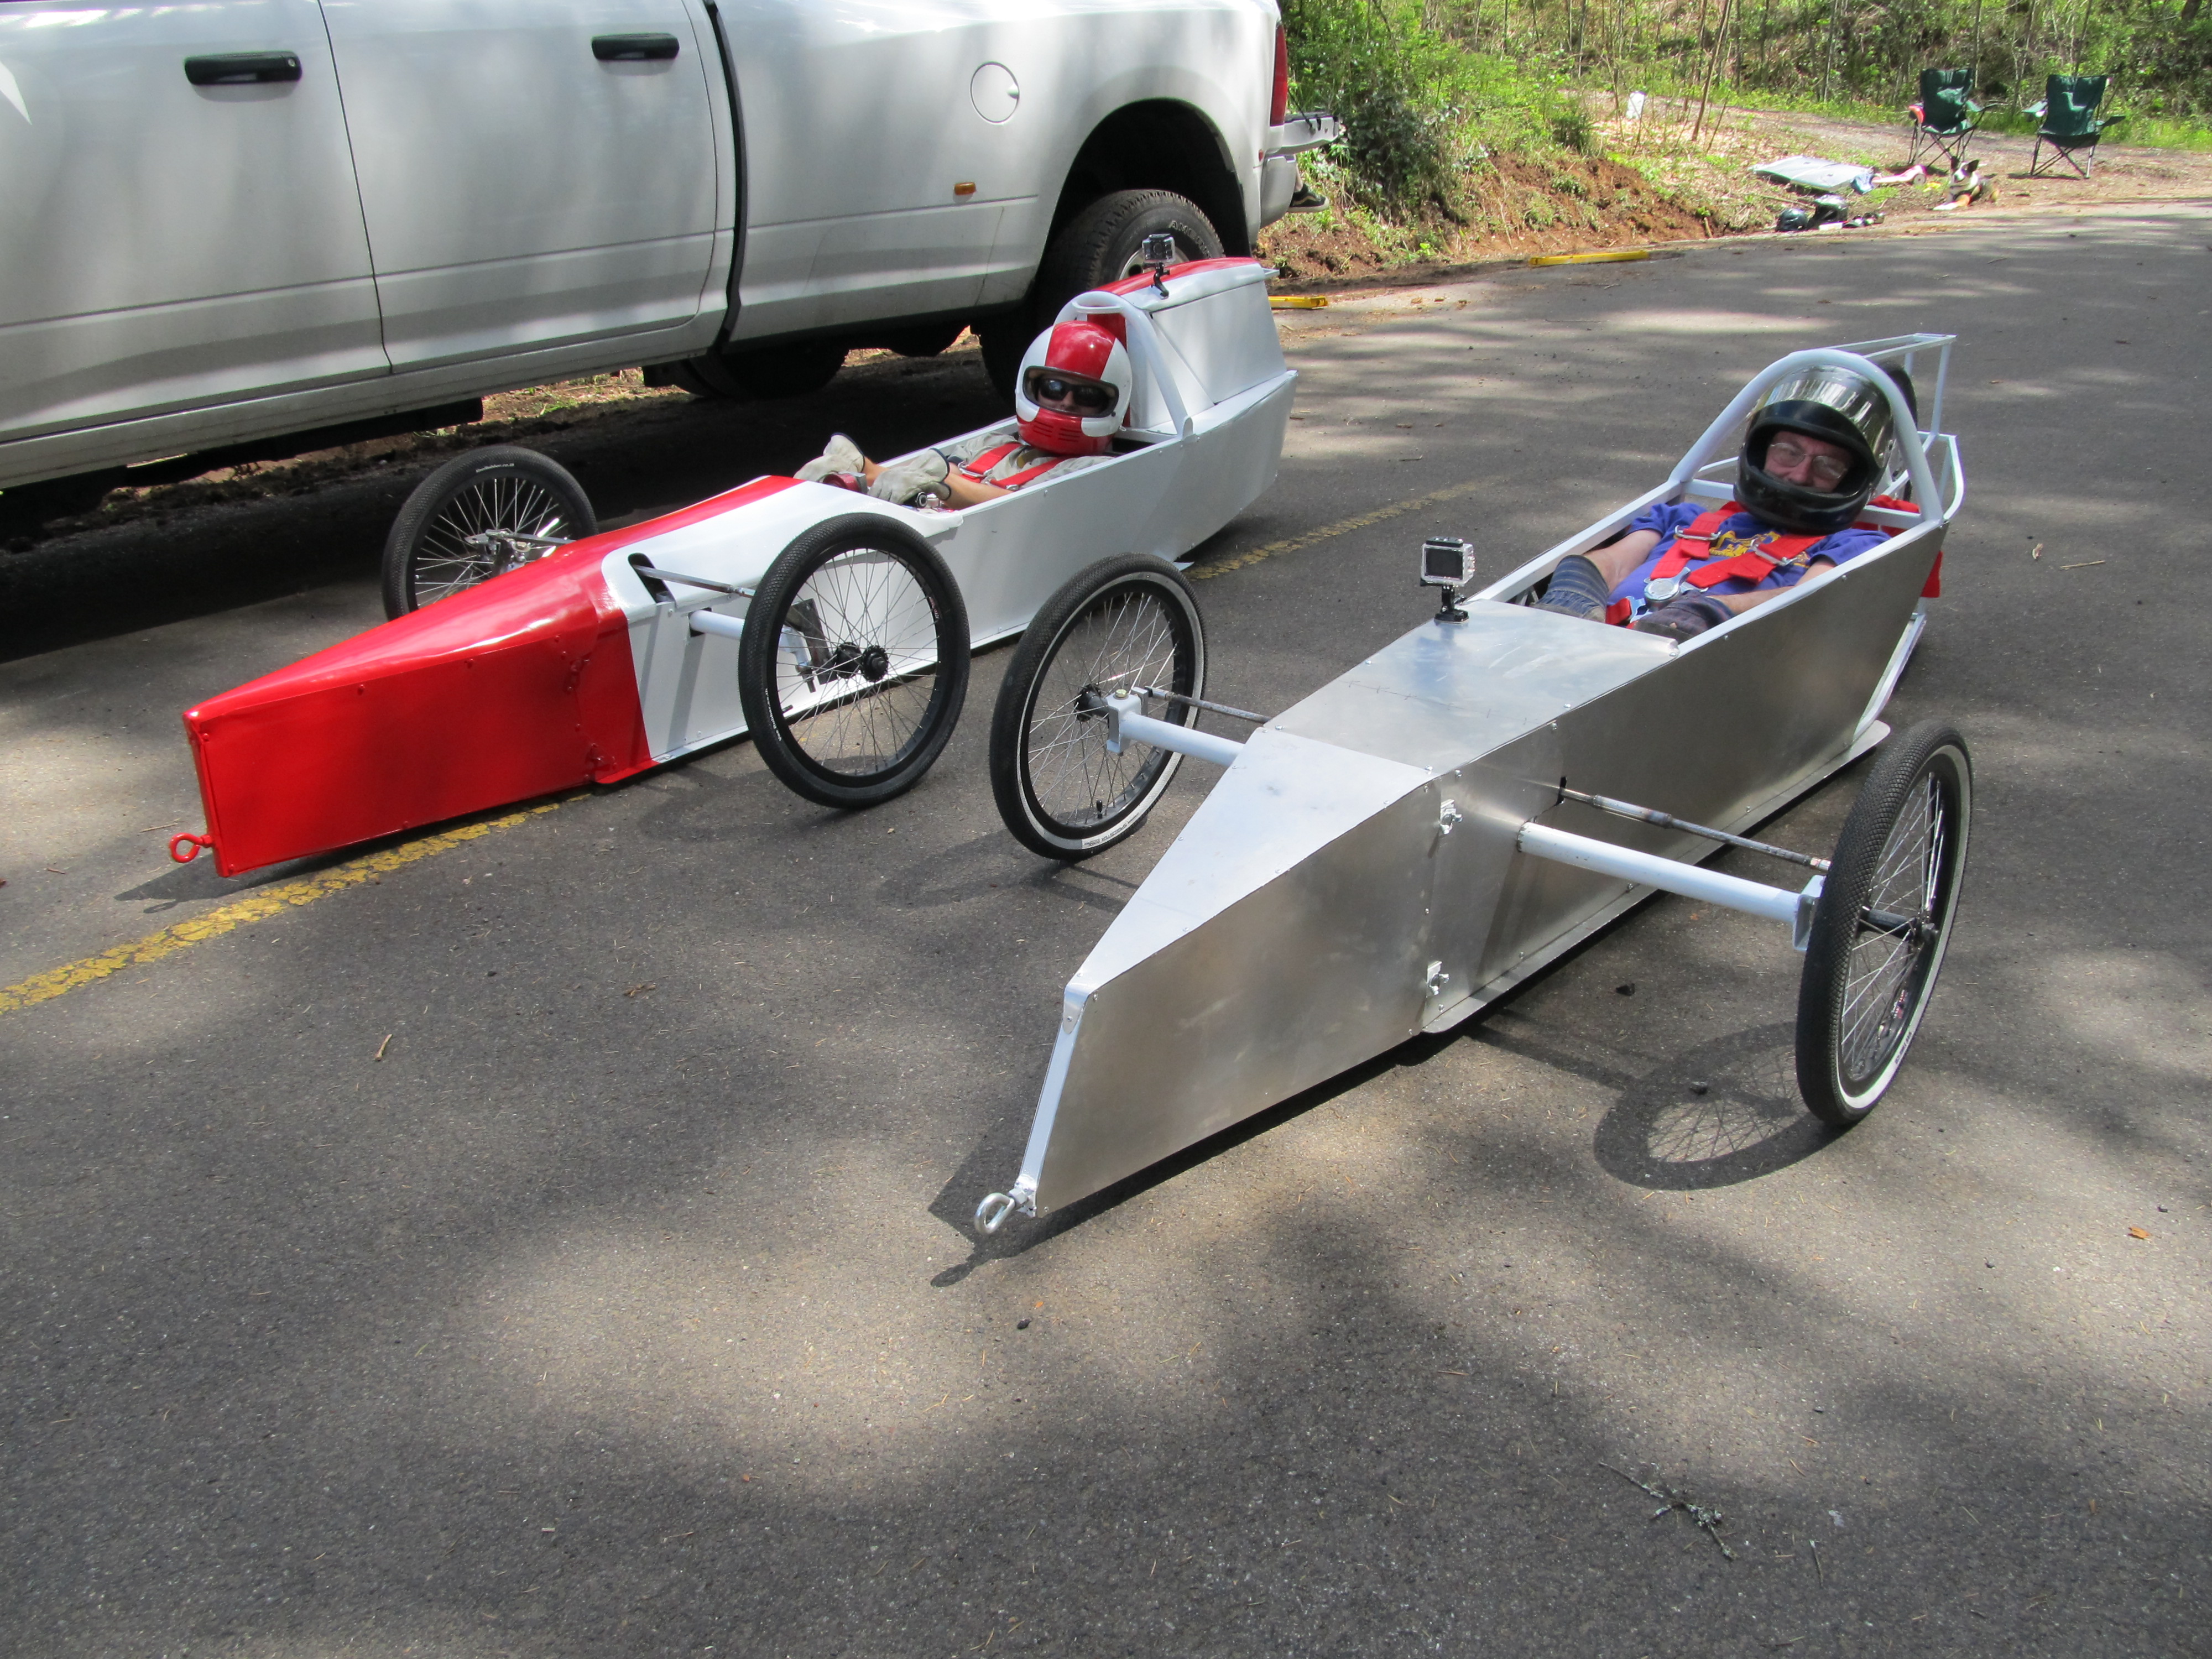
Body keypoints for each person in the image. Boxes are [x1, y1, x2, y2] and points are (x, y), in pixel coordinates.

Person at [1535, 363, 1915, 641]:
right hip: (1596, 639)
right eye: (1788, 452)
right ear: (1762, 451)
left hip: (1716, 659)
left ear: (1851, 478)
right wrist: (1576, 589)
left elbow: (1810, 598)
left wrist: (1713, 611)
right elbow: (1615, 563)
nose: (1800, 475)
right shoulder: (1681, 517)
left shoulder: (1855, 543)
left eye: (1828, 465)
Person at [795, 316, 1136, 508]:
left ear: (1110, 404)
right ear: (1033, 387)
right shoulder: (992, 443)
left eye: (1086, 395)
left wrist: (941, 485)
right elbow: (928, 474)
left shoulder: (1095, 470)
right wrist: (863, 470)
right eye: (1055, 388)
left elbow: (1030, 507)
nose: (1066, 403)